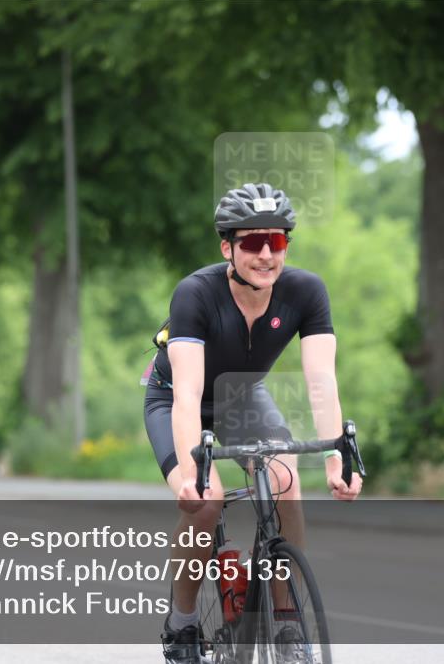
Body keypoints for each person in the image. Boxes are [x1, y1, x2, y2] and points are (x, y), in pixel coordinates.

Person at [142, 182, 363, 664]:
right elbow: (186, 398)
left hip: (241, 396)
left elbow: (322, 380)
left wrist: (334, 459)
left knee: (285, 481)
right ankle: (181, 626)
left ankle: (286, 629)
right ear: (228, 247)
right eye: (251, 243)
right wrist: (190, 472)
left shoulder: (306, 292)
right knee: (207, 502)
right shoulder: (196, 294)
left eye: (277, 241)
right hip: (177, 399)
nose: (265, 254)